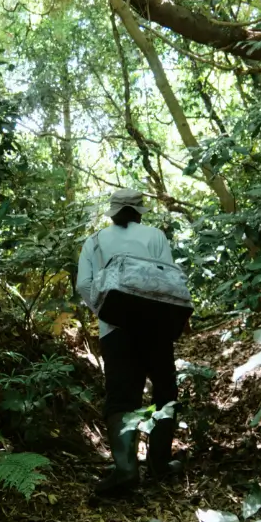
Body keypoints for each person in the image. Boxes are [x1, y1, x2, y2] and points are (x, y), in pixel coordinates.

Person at [76, 188, 180, 497]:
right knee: (165, 391)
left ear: (113, 212)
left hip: (115, 330)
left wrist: (106, 311)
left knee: (121, 396)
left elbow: (83, 284)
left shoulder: (93, 242)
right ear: (138, 212)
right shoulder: (154, 237)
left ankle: (126, 470)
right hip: (156, 327)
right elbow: (170, 279)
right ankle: (159, 464)